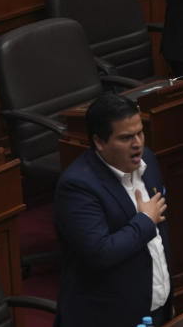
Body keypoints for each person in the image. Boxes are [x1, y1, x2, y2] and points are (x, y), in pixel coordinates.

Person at [54, 93, 171, 326]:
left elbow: (159, 240)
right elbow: (100, 252)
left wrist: (165, 301)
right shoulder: (78, 187)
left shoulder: (147, 161)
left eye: (140, 132)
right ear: (99, 142)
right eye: (126, 137)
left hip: (154, 311)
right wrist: (145, 221)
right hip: (109, 317)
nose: (137, 143)